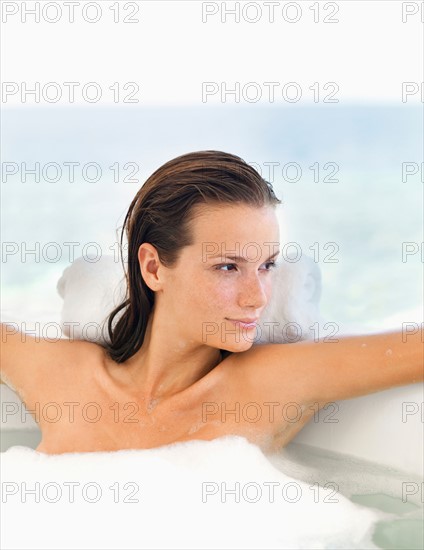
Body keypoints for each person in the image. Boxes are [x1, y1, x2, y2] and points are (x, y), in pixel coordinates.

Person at [1, 150, 422, 454]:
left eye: (268, 265)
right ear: (153, 268)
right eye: (227, 267)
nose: (256, 297)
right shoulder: (64, 376)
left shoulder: (265, 385)